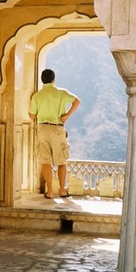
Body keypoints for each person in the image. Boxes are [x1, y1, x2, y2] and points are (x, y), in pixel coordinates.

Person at [28, 68, 80, 199]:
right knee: (61, 161)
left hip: (42, 129)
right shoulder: (61, 93)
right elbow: (77, 101)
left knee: (45, 161)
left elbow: (32, 116)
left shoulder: (37, 96)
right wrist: (67, 115)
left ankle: (49, 192)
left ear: (42, 81)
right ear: (53, 80)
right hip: (57, 128)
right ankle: (62, 190)